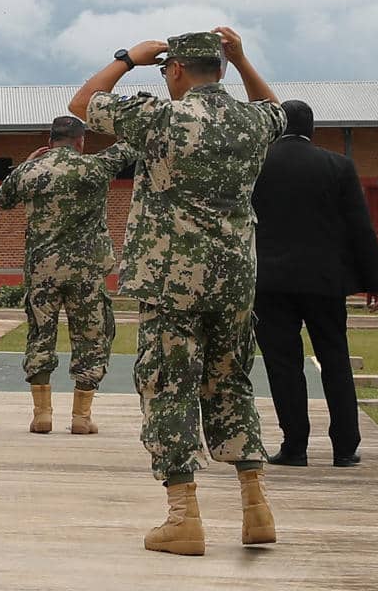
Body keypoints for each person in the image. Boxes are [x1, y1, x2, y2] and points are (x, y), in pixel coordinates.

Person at [71, 28, 284, 557]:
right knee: (230, 383)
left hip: (172, 282)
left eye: (167, 69)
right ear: (222, 69)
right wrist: (242, 59)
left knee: (169, 385)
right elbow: (276, 109)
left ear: (176, 70)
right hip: (235, 277)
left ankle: (183, 517)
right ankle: (256, 507)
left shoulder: (161, 118)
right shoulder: (251, 121)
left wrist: (126, 58)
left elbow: (81, 104)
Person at [252, 99, 378, 469]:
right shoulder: (338, 165)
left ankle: (295, 446)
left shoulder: (257, 164)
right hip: (324, 281)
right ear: (312, 130)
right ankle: (345, 447)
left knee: (284, 365)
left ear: (277, 125)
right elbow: (360, 228)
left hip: (270, 282)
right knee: (335, 359)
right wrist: (373, 279)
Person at [0, 115, 133, 435]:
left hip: (43, 270)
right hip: (86, 271)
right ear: (81, 141)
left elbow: (2, 200)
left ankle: (42, 414)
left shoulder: (31, 171)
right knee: (91, 339)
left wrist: (23, 166)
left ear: (50, 139)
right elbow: (129, 147)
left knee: (40, 336)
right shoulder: (95, 166)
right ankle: (81, 417)